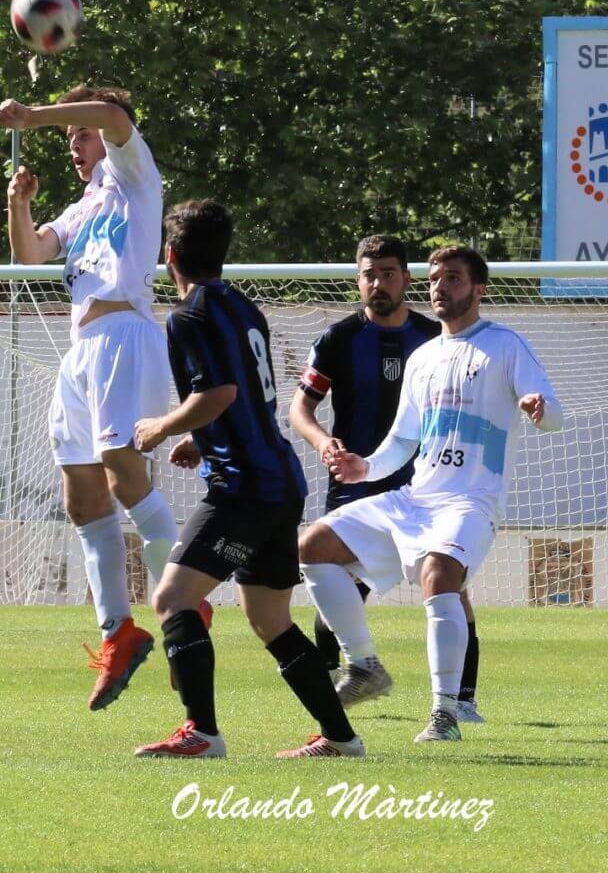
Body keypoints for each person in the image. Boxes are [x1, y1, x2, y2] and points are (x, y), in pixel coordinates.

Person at [299, 246, 563, 742]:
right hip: (416, 497)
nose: (440, 287)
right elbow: (403, 440)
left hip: (471, 501)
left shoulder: (505, 345)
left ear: (479, 289)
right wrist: (364, 466)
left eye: (454, 278)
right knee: (313, 545)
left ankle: (446, 713)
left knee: (439, 575)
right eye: (435, 278)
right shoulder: (423, 357)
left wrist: (539, 408)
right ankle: (364, 666)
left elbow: (555, 416)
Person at [131, 200, 364, 759]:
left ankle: (202, 733)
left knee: (172, 599)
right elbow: (249, 397)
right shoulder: (242, 306)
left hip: (244, 489)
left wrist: (162, 427)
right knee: (269, 618)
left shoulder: (188, 315)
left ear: (170, 255)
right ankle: (341, 737)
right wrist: (201, 437)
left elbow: (219, 393)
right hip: (278, 481)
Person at [0, 85, 182, 712]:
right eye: (69, 136)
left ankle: (185, 605)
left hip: (124, 333)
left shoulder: (132, 173)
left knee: (124, 471)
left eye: (80, 133)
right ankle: (117, 632)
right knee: (81, 493)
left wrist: (33, 116)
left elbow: (114, 114)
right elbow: (30, 253)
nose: (74, 142)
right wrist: (17, 205)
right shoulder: (84, 203)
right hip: (82, 348)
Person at [289, 234, 487, 724]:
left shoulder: (436, 338)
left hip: (426, 489)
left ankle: (463, 700)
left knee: (449, 586)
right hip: (356, 482)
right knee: (334, 585)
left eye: (388, 274)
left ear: (406, 279)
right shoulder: (338, 339)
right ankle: (335, 688)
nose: (378, 284)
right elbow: (300, 409)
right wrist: (323, 443)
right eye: (369, 275)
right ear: (358, 280)